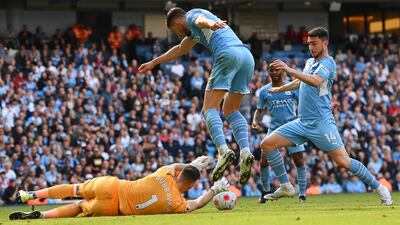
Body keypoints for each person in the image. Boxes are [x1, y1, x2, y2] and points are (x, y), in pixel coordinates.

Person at [259, 27, 393, 205]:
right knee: (266, 144)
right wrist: (281, 88)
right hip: (302, 122)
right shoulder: (309, 62)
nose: (311, 48)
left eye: (314, 44)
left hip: (321, 123)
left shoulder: (328, 62)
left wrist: (288, 69)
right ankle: (285, 185)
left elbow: (315, 81)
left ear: (325, 42)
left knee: (343, 161)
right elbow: (301, 81)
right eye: (308, 44)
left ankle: (379, 188)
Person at [138, 7, 255, 184]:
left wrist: (211, 24)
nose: (178, 34)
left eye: (175, 31)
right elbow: (178, 49)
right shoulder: (194, 34)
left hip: (228, 54)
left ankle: (223, 151)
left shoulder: (192, 16)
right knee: (230, 109)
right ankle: (245, 151)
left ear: (177, 22)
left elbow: (200, 19)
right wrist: (154, 62)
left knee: (209, 108)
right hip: (246, 57)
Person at [9, 156, 229, 220]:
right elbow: (198, 203)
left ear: (181, 173)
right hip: (115, 208)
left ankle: (31, 194)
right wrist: (214, 189)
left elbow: (175, 166)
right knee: (77, 207)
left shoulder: (165, 172)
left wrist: (194, 163)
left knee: (75, 189)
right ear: (191, 185)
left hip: (112, 185)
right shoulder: (177, 204)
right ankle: (43, 215)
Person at [252, 60, 306, 203]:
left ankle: (302, 194)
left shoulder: (292, 87)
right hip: (274, 128)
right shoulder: (264, 91)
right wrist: (255, 120)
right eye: (271, 70)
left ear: (283, 71)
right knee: (263, 160)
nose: (275, 72)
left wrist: (302, 117)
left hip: (292, 127)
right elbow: (259, 110)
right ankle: (265, 192)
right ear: (268, 72)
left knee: (299, 160)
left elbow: (302, 103)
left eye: (277, 70)